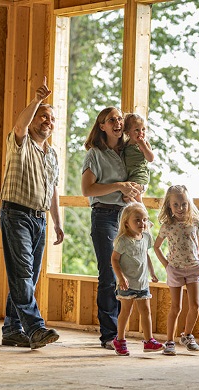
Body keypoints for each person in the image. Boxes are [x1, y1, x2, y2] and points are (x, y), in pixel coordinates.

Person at [0, 77, 64, 350]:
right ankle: (35, 327)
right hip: (16, 214)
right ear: (33, 119)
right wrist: (37, 99)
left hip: (39, 220)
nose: (47, 122)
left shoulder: (52, 154)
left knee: (26, 275)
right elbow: (20, 124)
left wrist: (57, 224)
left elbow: (52, 191)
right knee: (23, 273)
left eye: (52, 119)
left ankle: (12, 328)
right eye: (43, 117)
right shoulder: (21, 142)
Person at [81, 107, 142, 349]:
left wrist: (135, 190)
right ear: (102, 127)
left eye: (119, 119)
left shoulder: (129, 151)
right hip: (104, 217)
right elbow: (88, 190)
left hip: (126, 217)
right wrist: (119, 186)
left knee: (128, 274)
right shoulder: (95, 154)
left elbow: (138, 178)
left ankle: (121, 334)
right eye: (111, 120)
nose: (117, 122)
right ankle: (109, 334)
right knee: (109, 274)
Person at [154, 185, 199, 356]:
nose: (180, 208)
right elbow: (156, 247)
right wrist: (166, 265)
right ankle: (169, 342)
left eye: (183, 204)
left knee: (195, 305)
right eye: (176, 205)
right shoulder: (167, 225)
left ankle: (187, 335)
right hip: (175, 270)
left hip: (193, 269)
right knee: (175, 307)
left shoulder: (195, 222)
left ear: (188, 203)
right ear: (169, 205)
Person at [110, 202, 164, 356]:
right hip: (127, 284)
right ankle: (119, 340)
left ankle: (149, 341)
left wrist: (152, 272)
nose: (142, 223)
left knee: (146, 311)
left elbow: (145, 255)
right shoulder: (123, 241)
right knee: (126, 311)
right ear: (127, 223)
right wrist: (121, 277)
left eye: (144, 219)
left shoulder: (146, 236)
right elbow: (114, 260)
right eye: (137, 220)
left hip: (142, 282)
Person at [122, 113, 154, 203]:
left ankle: (141, 211)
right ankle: (139, 210)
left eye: (143, 129)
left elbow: (150, 158)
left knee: (128, 196)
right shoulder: (126, 144)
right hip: (130, 175)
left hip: (140, 175)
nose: (141, 133)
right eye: (136, 130)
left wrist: (143, 146)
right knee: (128, 198)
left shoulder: (144, 143)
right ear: (127, 132)